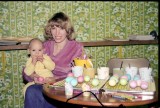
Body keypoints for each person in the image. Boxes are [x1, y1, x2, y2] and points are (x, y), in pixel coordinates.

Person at [22, 12, 85, 108]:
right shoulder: (45, 46)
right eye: (54, 28)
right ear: (50, 30)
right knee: (31, 91)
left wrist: (55, 80)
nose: (57, 33)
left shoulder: (76, 48)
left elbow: (80, 76)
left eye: (61, 28)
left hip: (65, 89)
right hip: (45, 87)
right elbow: (26, 70)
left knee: (51, 100)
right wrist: (34, 77)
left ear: (67, 30)